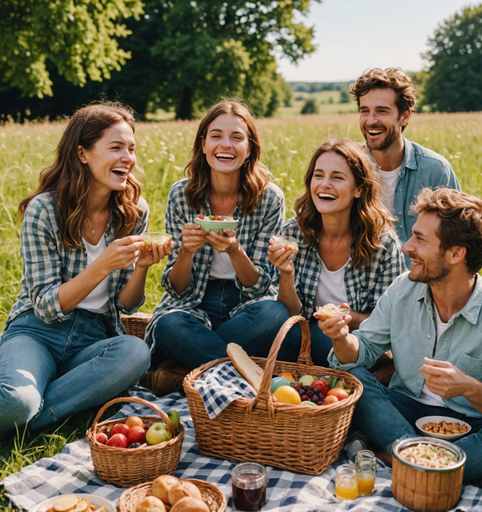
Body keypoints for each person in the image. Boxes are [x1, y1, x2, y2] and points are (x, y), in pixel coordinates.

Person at [0, 102, 168, 431]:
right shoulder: (45, 209)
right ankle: (35, 402)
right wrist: (103, 265)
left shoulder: (134, 211)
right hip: (36, 332)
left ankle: (37, 416)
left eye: (131, 149)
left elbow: (126, 304)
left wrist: (142, 268)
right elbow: (47, 306)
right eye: (116, 147)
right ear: (82, 153)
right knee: (15, 401)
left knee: (135, 352)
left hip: (93, 336)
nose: (128, 158)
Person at [327, 187, 482, 482]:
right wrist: (340, 337)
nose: (406, 247)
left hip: (471, 424)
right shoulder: (404, 289)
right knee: (356, 381)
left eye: (420, 239)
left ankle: (396, 458)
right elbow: (360, 352)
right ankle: (428, 465)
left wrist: (470, 388)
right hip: (403, 412)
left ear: (456, 253)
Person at [146, 99, 289, 395]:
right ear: (203, 144)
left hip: (246, 307)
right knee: (169, 326)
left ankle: (186, 372)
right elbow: (177, 289)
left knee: (275, 314)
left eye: (237, 137)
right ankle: (253, 381)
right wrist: (185, 251)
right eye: (216, 136)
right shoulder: (180, 195)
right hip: (195, 303)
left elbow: (260, 287)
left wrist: (235, 251)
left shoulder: (269, 199)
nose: (226, 145)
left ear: (249, 148)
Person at [269, 139, 406, 367]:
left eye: (337, 177)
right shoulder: (294, 232)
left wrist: (346, 320)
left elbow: (391, 325)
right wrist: (286, 273)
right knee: (288, 333)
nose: (324, 184)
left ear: (359, 189)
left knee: (320, 337)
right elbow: (290, 314)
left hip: (362, 346)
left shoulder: (382, 244)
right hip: (303, 339)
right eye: (319, 175)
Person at [350, 68, 461, 257]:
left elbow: (458, 239)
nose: (370, 121)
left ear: (405, 116)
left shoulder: (436, 171)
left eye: (381, 111)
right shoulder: (348, 167)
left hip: (419, 282)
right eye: (364, 111)